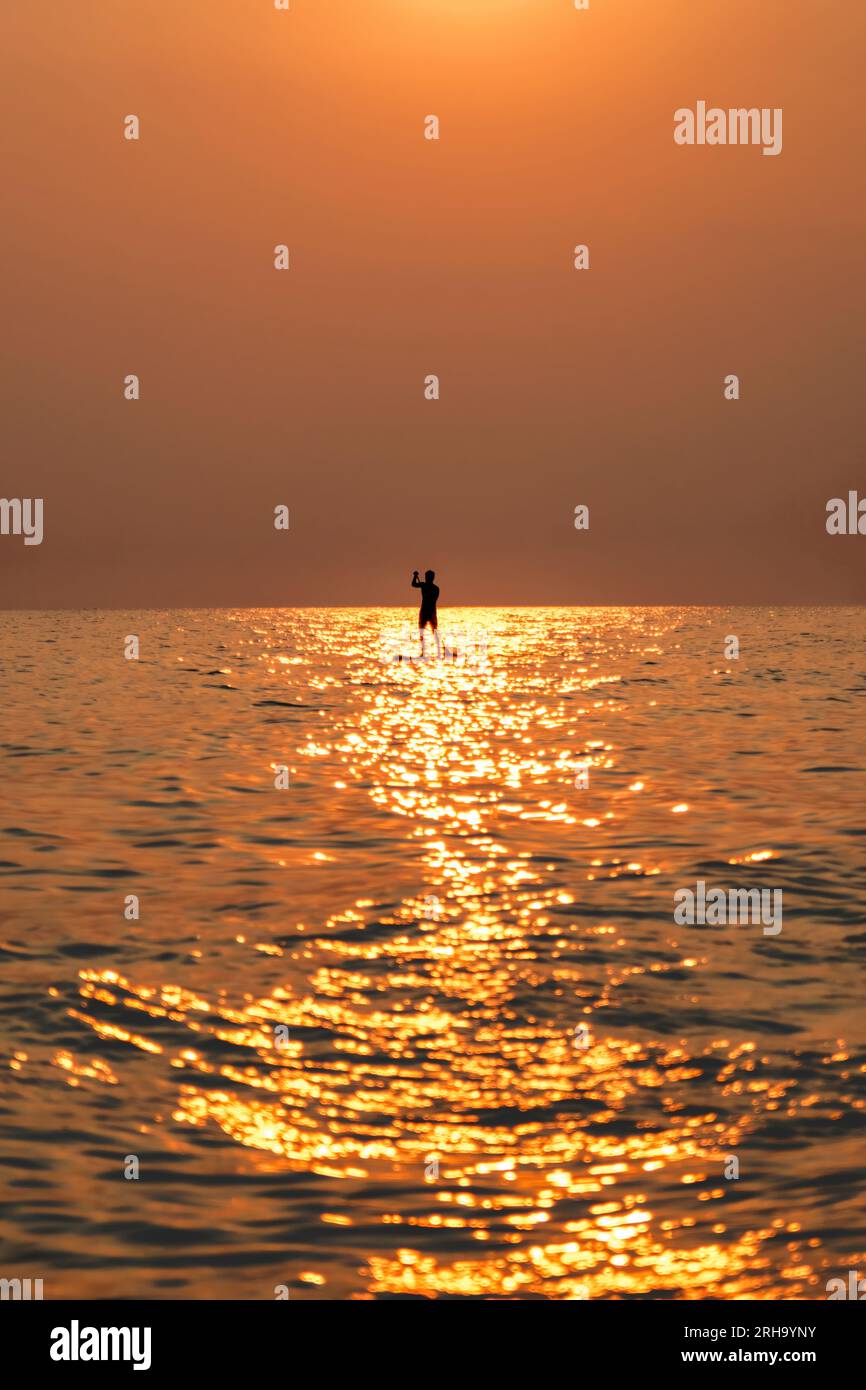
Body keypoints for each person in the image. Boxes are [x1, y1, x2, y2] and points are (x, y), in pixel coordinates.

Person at [412, 569, 441, 658]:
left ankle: (439, 651)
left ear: (432, 578)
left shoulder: (435, 588)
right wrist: (414, 577)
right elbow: (413, 584)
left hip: (430, 611)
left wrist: (425, 589)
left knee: (434, 630)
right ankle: (423, 651)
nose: (427, 578)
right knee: (421, 631)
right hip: (424, 611)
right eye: (426, 577)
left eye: (429, 577)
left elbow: (433, 599)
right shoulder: (424, 585)